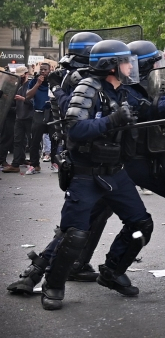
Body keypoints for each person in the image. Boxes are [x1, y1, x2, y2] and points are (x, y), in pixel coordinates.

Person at [36, 40, 154, 310]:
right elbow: (74, 129)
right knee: (74, 234)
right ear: (110, 65)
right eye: (125, 62)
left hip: (116, 173)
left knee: (140, 226)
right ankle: (53, 285)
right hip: (86, 174)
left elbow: (143, 109)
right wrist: (112, 121)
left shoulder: (121, 91)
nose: (130, 67)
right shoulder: (89, 87)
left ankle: (113, 269)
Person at [25, 63, 58, 174]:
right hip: (39, 112)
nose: (43, 72)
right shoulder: (34, 81)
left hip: (52, 113)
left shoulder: (53, 81)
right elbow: (28, 96)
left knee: (55, 139)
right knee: (35, 140)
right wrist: (38, 84)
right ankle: (34, 164)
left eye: (45, 70)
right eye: (41, 70)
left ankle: (55, 162)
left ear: (50, 70)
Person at [2, 66, 33, 173]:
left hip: (26, 116)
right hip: (17, 116)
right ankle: (12, 162)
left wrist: (22, 99)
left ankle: (27, 161)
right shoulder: (17, 85)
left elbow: (33, 102)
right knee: (14, 140)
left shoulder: (29, 85)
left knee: (27, 140)